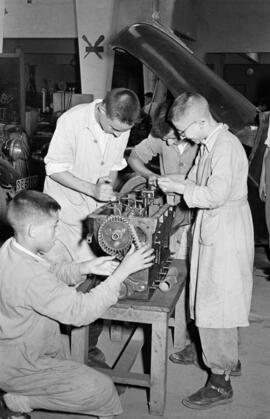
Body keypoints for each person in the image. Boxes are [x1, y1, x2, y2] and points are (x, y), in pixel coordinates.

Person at [0, 190, 154, 419]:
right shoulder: (30, 276)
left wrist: (86, 267)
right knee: (104, 391)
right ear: (32, 230)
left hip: (16, 350)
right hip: (23, 363)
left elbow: (50, 272)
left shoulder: (11, 248)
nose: (57, 231)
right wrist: (121, 273)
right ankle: (20, 399)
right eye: (54, 225)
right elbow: (80, 312)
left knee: (74, 361)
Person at [158, 92, 254, 409]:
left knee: (218, 302)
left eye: (184, 130)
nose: (181, 136)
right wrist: (166, 180)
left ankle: (220, 381)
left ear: (201, 121)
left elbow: (213, 194)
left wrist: (180, 189)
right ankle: (222, 356)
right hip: (214, 225)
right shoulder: (208, 144)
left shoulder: (225, 148)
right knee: (209, 296)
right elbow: (193, 179)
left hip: (224, 228)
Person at [43, 87, 141, 363]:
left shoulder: (121, 126)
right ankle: (53, 352)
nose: (116, 136)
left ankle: (88, 347)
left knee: (96, 278)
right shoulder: (72, 122)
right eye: (112, 129)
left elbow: (114, 164)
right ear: (101, 110)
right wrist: (91, 188)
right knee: (59, 282)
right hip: (62, 215)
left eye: (122, 132)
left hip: (94, 213)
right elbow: (54, 168)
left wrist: (107, 186)